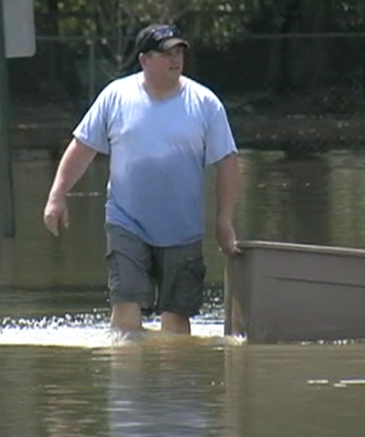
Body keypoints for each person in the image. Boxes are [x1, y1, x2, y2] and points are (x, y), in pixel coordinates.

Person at [42, 23, 241, 335]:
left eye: (179, 52)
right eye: (166, 53)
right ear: (145, 59)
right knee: (125, 307)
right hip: (127, 222)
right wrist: (57, 196)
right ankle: (127, 381)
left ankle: (171, 384)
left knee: (176, 318)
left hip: (183, 228)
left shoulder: (205, 104)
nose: (175, 59)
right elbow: (83, 146)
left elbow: (228, 162)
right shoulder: (116, 96)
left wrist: (224, 222)